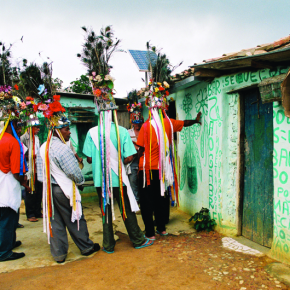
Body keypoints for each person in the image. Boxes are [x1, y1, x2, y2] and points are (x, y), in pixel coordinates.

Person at [83, 77, 153, 254]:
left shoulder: (92, 132)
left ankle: (108, 245)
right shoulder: (121, 131)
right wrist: (120, 160)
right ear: (113, 110)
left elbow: (89, 159)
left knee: (105, 212)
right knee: (127, 210)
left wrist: (101, 159)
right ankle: (137, 240)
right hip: (119, 179)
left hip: (100, 180)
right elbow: (130, 156)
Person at [136, 80, 202, 240]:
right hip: (162, 170)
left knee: (146, 203)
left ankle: (150, 233)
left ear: (151, 109)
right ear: (162, 109)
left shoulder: (145, 126)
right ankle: (161, 228)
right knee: (160, 199)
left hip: (146, 171)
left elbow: (141, 149)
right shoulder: (169, 123)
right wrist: (196, 120)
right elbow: (184, 123)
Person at [38, 108, 100, 263]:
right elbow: (73, 172)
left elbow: (40, 174)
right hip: (63, 189)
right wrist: (80, 182)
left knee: (56, 221)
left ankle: (59, 254)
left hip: (49, 189)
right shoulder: (62, 149)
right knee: (75, 217)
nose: (69, 132)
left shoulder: (43, 146)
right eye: (66, 129)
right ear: (58, 130)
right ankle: (86, 247)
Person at [0, 87, 31, 262]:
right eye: (19, 125)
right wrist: (25, 184)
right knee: (7, 219)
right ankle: (4, 251)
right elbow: (17, 170)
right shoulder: (12, 142)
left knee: (4, 219)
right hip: (7, 184)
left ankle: (8, 243)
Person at [21, 124, 43, 222]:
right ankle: (30, 214)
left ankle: (38, 211)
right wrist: (30, 156)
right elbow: (20, 154)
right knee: (30, 191)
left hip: (38, 167)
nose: (38, 129)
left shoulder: (37, 138)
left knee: (39, 190)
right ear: (30, 128)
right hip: (29, 168)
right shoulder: (23, 138)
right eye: (36, 127)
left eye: (39, 128)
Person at [126, 91, 144, 203]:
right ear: (132, 123)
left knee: (142, 181)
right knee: (133, 181)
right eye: (135, 123)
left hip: (143, 159)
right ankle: (135, 201)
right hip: (132, 161)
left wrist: (136, 145)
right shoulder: (128, 133)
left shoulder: (144, 131)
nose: (137, 125)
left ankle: (143, 201)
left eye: (139, 123)